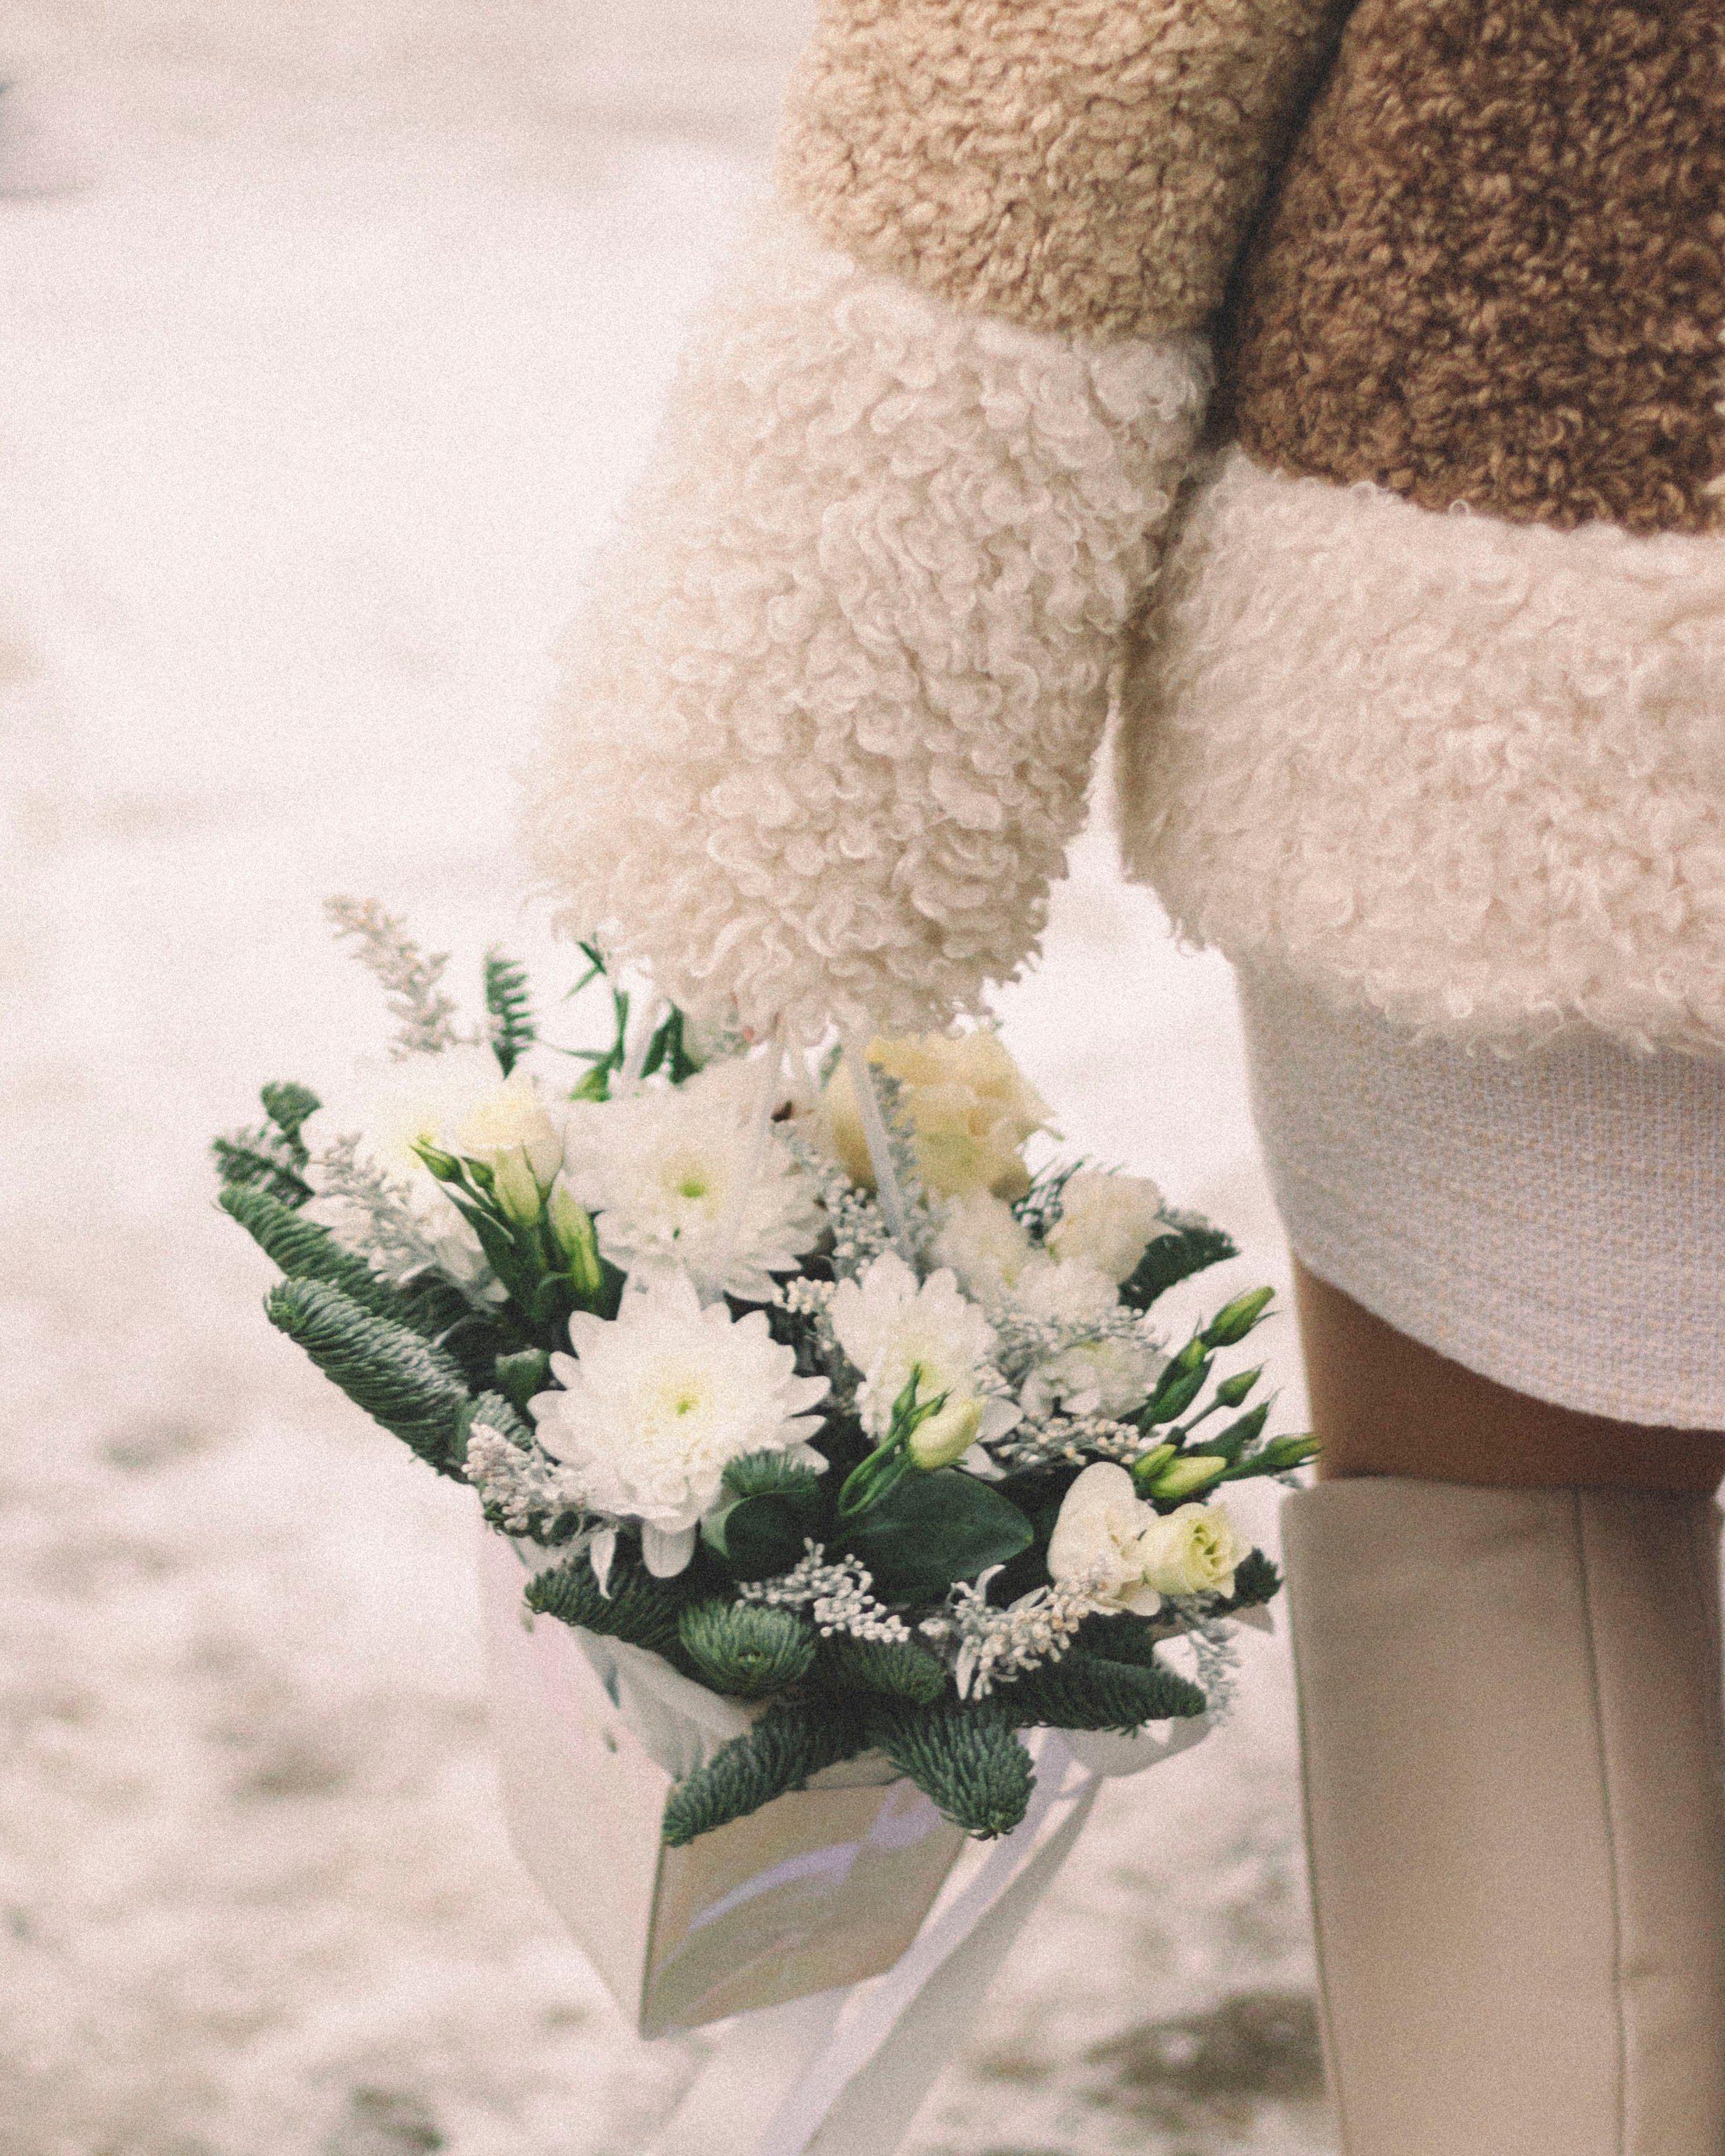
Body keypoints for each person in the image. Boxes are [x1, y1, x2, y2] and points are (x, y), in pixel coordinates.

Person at [524, 3, 1725, 2148]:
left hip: (1531, 669)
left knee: (1524, 1588)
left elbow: (1056, 70)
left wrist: (801, 813)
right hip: (1514, 682)